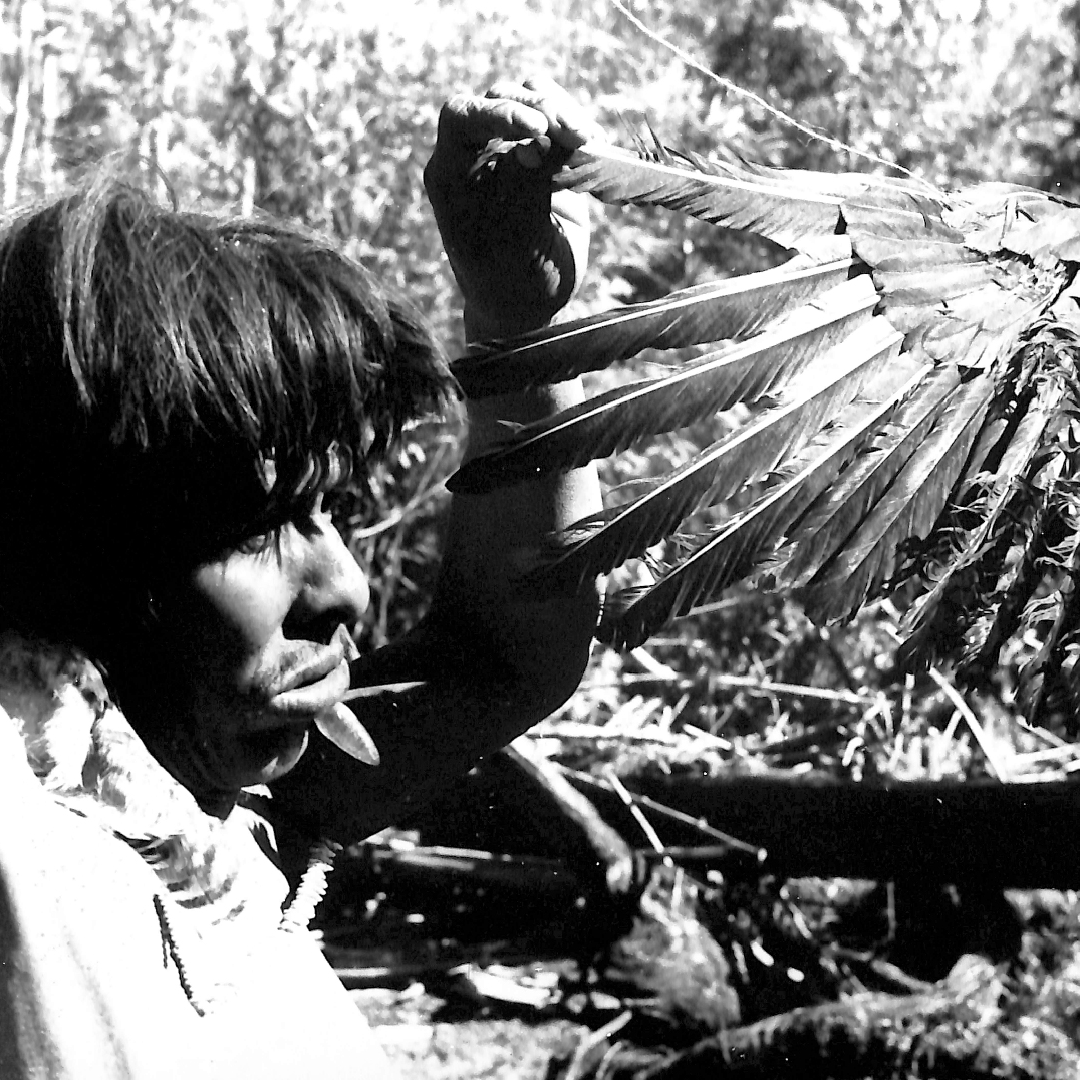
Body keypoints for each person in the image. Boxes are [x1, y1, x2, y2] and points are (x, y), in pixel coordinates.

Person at [0, 76, 603, 1078]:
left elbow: (500, 660)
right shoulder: (32, 842)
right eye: (257, 524)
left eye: (333, 512)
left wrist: (521, 327)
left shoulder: (195, 801)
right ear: (79, 547)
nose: (346, 590)